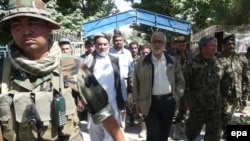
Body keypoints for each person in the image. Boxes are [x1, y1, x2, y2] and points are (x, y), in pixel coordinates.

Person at [0, 0, 125, 141]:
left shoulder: (71, 65)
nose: (26, 31)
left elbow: (103, 111)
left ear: (49, 27)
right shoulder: (4, 70)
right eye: (16, 25)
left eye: (33, 23)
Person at [133, 31, 185, 141]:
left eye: (160, 42)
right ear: (151, 43)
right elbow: (136, 84)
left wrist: (176, 97)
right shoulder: (142, 62)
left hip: (168, 102)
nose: (157, 44)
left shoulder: (172, 61)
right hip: (149, 103)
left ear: (165, 44)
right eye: (155, 41)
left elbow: (180, 81)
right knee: (153, 134)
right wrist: (137, 102)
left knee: (164, 134)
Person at [184, 35, 232, 141]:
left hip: (215, 106)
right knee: (191, 133)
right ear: (203, 47)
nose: (214, 48)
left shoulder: (220, 62)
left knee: (214, 136)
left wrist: (224, 96)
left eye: (215, 45)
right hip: (197, 106)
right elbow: (185, 83)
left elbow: (225, 81)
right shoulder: (192, 63)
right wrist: (185, 100)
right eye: (212, 46)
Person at [84, 33, 127, 141]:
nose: (102, 47)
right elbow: (82, 81)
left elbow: (120, 81)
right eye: (99, 44)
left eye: (105, 44)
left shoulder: (115, 60)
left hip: (112, 103)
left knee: (111, 135)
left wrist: (124, 99)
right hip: (95, 104)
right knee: (95, 134)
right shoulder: (89, 60)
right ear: (95, 45)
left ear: (109, 45)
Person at [216, 33, 250, 139]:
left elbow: (246, 77)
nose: (231, 46)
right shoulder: (217, 58)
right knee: (224, 118)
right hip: (222, 95)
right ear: (223, 45)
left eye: (233, 44)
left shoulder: (241, 59)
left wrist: (245, 95)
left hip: (236, 95)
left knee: (228, 117)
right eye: (228, 44)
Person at [109, 30, 133, 129]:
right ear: (113, 42)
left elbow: (131, 68)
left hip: (124, 81)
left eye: (120, 40)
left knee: (123, 101)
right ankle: (114, 120)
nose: (118, 42)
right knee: (113, 100)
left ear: (123, 41)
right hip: (111, 81)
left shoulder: (127, 53)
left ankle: (122, 120)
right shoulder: (109, 52)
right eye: (116, 40)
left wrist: (131, 81)